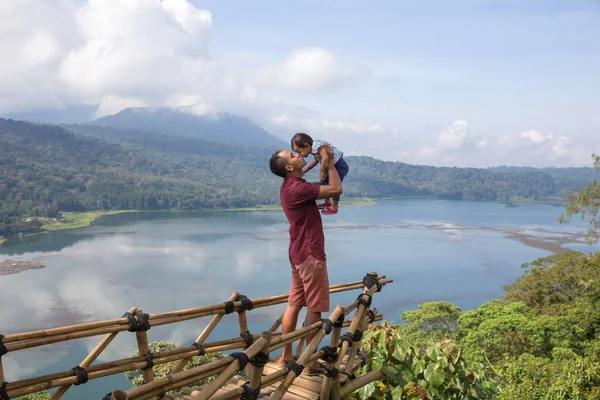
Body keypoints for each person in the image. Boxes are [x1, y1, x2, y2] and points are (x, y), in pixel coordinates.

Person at [269, 144, 343, 373]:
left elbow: (304, 173)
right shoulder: (299, 189)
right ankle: (308, 361)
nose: (298, 155)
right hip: (311, 255)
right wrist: (329, 161)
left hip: (297, 254)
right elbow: (335, 188)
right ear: (289, 166)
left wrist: (317, 160)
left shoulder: (290, 185)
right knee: (315, 307)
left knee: (293, 304)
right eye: (293, 155)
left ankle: (286, 356)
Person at [290, 133, 349, 215]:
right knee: (325, 183)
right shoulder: (313, 150)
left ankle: (334, 207)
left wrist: (322, 172)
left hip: (340, 166)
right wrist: (307, 169)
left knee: (335, 186)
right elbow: (316, 160)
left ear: (306, 145)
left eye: (300, 152)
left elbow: (325, 158)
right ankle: (328, 202)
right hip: (333, 166)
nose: (300, 155)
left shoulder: (317, 146)